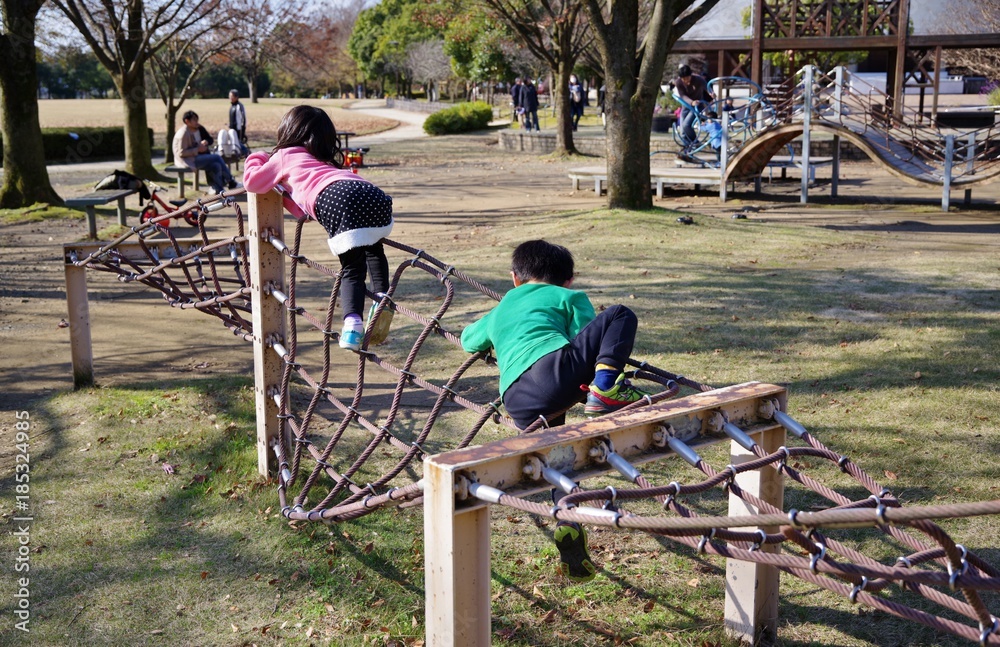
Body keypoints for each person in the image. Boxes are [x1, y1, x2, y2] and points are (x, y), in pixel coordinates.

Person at [460, 240, 653, 582]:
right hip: (557, 373)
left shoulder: (501, 307)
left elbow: (468, 340)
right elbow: (585, 336)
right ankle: (607, 386)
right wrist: (599, 368)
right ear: (568, 281)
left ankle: (567, 519)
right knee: (620, 313)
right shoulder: (569, 298)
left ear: (514, 278)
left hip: (518, 398)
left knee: (557, 453)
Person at [242, 106, 394, 351]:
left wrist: (257, 157)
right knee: (374, 249)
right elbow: (301, 208)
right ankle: (382, 296)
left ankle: (352, 328)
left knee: (352, 268)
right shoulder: (322, 161)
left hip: (338, 199)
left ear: (288, 130)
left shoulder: (284, 155)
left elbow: (252, 182)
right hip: (373, 195)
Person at [172, 110, 238, 193]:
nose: (197, 122)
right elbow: (181, 153)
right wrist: (197, 149)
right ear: (187, 121)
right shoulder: (184, 133)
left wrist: (203, 144)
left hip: (193, 158)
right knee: (216, 157)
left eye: (197, 120)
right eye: (194, 120)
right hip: (187, 161)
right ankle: (230, 181)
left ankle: (219, 190)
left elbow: (208, 139)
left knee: (215, 165)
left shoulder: (193, 129)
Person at [673, 63, 714, 152]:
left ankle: (695, 142)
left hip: (697, 106)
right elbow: (682, 95)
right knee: (682, 131)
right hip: (686, 105)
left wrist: (711, 93)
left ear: (691, 75)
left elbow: (707, 87)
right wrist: (691, 102)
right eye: (683, 79)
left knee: (686, 125)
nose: (686, 81)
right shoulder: (678, 82)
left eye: (687, 78)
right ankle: (688, 150)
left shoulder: (698, 79)